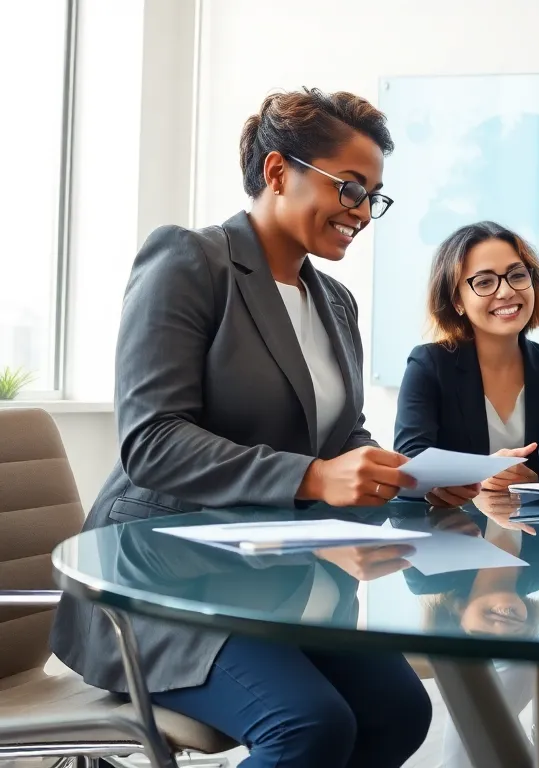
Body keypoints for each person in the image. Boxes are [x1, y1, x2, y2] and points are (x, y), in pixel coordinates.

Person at [49, 88, 432, 768]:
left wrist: (404, 476)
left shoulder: (334, 302)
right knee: (308, 727)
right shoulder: (191, 262)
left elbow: (340, 435)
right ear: (279, 171)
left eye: (373, 195)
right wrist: (315, 476)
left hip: (270, 578)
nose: (362, 212)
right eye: (350, 188)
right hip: (160, 579)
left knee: (400, 711)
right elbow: (152, 439)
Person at [394, 221, 539, 500]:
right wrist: (479, 474)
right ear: (457, 300)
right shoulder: (430, 365)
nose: (505, 291)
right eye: (484, 282)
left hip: (536, 535)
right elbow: (410, 467)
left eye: (517, 276)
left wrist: (535, 482)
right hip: (457, 533)